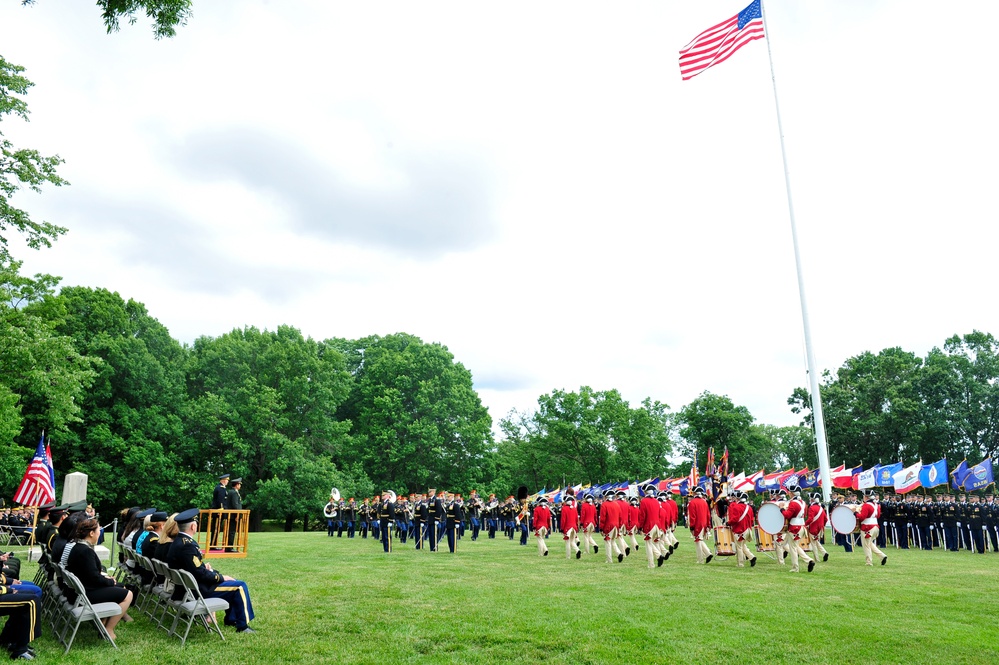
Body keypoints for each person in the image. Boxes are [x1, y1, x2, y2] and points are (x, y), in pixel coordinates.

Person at [167, 509, 256, 633]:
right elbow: (200, 574)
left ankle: (231, 619)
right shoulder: (187, 545)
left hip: (187, 589)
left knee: (233, 584)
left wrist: (212, 572)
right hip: (198, 590)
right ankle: (243, 626)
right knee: (239, 586)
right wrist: (221, 577)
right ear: (193, 526)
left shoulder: (177, 542)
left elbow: (195, 568)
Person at [65, 518, 133, 642]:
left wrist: (106, 578)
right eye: (98, 530)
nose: (99, 533)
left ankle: (102, 623)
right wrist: (110, 582)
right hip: (86, 593)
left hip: (81, 590)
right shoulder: (86, 551)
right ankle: (109, 629)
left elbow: (89, 574)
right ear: (91, 533)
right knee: (128, 594)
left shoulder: (78, 547)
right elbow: (94, 579)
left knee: (121, 587)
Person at [779, 484, 815, 573]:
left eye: (789, 492)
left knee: (793, 548)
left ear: (792, 493)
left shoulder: (793, 503)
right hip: (801, 527)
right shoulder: (803, 502)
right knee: (795, 546)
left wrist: (781, 509)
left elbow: (787, 515)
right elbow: (805, 514)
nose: (788, 493)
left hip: (794, 528)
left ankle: (796, 567)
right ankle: (809, 561)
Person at [856, 490, 888, 566]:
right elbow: (878, 515)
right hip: (875, 526)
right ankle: (882, 556)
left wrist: (856, 514)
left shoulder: (866, 505)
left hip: (867, 527)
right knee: (869, 543)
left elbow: (862, 517)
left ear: (866, 497)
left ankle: (869, 562)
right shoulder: (876, 505)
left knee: (866, 545)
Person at [727, 491, 757, 568]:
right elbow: (751, 520)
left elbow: (735, 519)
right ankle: (751, 557)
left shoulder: (736, 507)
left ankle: (740, 563)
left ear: (738, 498)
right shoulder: (749, 507)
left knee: (739, 547)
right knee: (742, 545)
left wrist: (728, 523)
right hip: (747, 529)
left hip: (739, 530)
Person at [687, 486, 713, 564]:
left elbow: (693, 516)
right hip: (704, 523)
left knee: (698, 541)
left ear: (694, 493)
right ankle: (708, 554)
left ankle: (700, 559)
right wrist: (708, 524)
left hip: (698, 524)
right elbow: (708, 514)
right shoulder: (704, 502)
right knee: (700, 540)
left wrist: (692, 526)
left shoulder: (692, 502)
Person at [805, 493, 829, 563]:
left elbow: (810, 519)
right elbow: (826, 519)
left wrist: (805, 524)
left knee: (813, 544)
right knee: (816, 541)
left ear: (813, 499)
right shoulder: (821, 508)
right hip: (820, 528)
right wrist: (822, 525)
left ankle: (817, 559)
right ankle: (824, 553)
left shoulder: (812, 508)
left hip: (813, 528)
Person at [210, 473, 230, 548]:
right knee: (216, 528)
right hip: (218, 511)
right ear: (224, 480)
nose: (227, 482)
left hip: (219, 511)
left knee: (217, 528)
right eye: (227, 480)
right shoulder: (220, 488)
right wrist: (220, 510)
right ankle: (212, 545)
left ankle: (214, 544)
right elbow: (220, 501)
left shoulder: (222, 488)